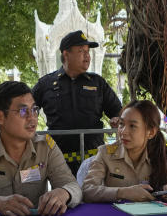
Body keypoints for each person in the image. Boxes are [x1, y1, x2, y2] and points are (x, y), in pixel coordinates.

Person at [0, 81, 81, 216]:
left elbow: (73, 186)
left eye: (34, 109)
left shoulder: (46, 147)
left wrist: (64, 193)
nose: (32, 117)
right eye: (22, 111)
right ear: (0, 117)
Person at [31, 30, 123, 175]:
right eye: (81, 51)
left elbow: (118, 111)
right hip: (58, 158)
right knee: (63, 196)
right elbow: (26, 110)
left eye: (88, 51)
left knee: (94, 195)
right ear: (66, 54)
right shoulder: (46, 83)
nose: (87, 56)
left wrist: (118, 119)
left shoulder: (97, 82)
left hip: (93, 158)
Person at [82, 100, 167, 202]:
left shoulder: (159, 156)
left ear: (151, 132)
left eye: (132, 126)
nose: (123, 131)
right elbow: (87, 190)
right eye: (121, 124)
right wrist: (122, 192)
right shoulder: (106, 153)